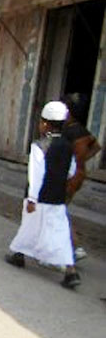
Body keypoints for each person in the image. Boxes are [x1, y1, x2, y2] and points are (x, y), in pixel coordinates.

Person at [5, 101, 80, 289]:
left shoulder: (39, 146)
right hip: (57, 197)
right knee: (59, 232)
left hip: (38, 197)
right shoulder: (68, 146)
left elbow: (36, 175)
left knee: (30, 226)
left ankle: (18, 254)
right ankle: (70, 271)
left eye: (41, 121)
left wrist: (31, 198)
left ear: (45, 124)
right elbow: (71, 171)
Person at [61, 93, 102, 261]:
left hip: (70, 177)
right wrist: (81, 160)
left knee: (59, 211)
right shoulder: (81, 130)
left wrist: (74, 160)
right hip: (79, 174)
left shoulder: (70, 131)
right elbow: (97, 147)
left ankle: (75, 247)